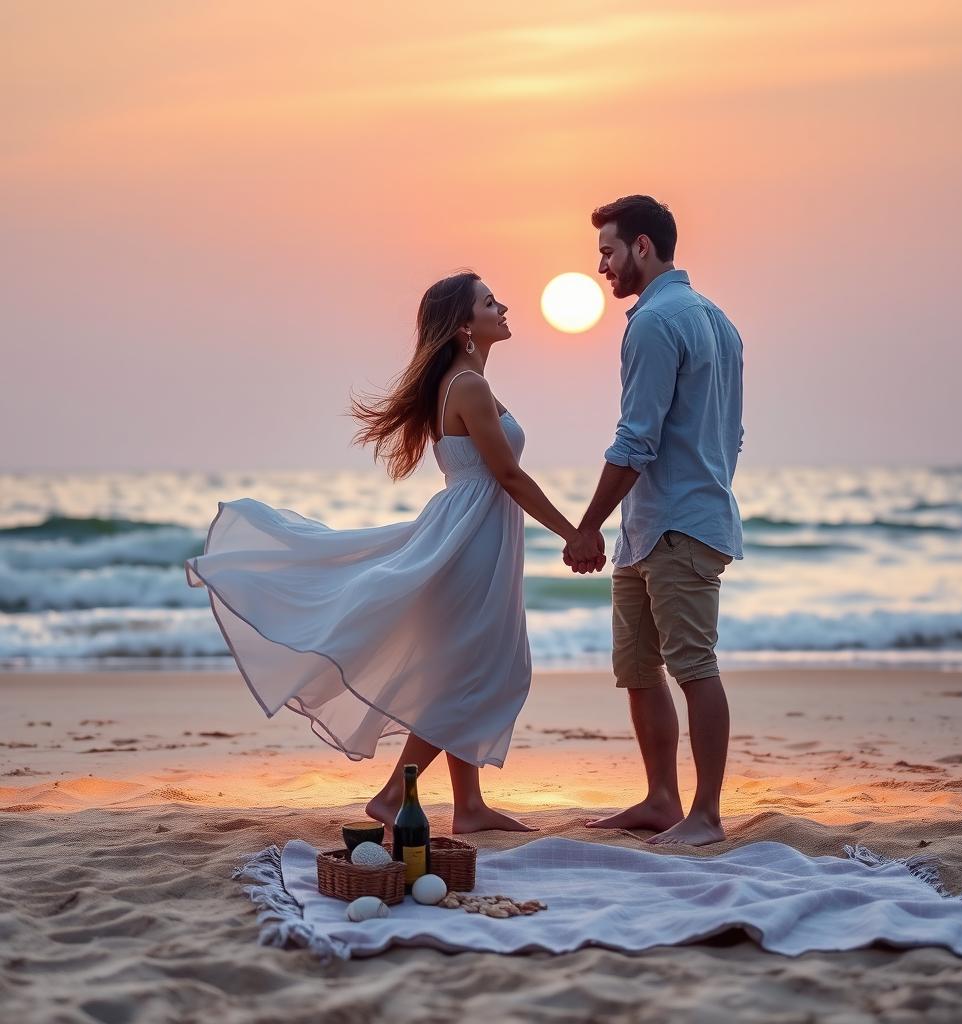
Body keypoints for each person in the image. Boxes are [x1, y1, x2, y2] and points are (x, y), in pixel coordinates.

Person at [185, 272, 604, 833]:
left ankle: (470, 806)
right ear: (463, 326)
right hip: (471, 541)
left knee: (463, 666)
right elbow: (507, 474)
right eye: (489, 302)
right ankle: (390, 796)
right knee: (472, 669)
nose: (503, 307)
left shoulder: (465, 382)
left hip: (471, 531)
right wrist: (573, 532)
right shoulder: (469, 387)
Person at [564, 195, 745, 846]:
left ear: (643, 246)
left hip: (679, 524)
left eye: (608, 253)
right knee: (639, 669)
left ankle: (706, 814)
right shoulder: (717, 321)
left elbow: (635, 439)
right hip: (650, 525)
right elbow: (732, 434)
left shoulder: (657, 322)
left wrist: (586, 526)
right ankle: (662, 799)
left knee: (694, 665)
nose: (603, 268)